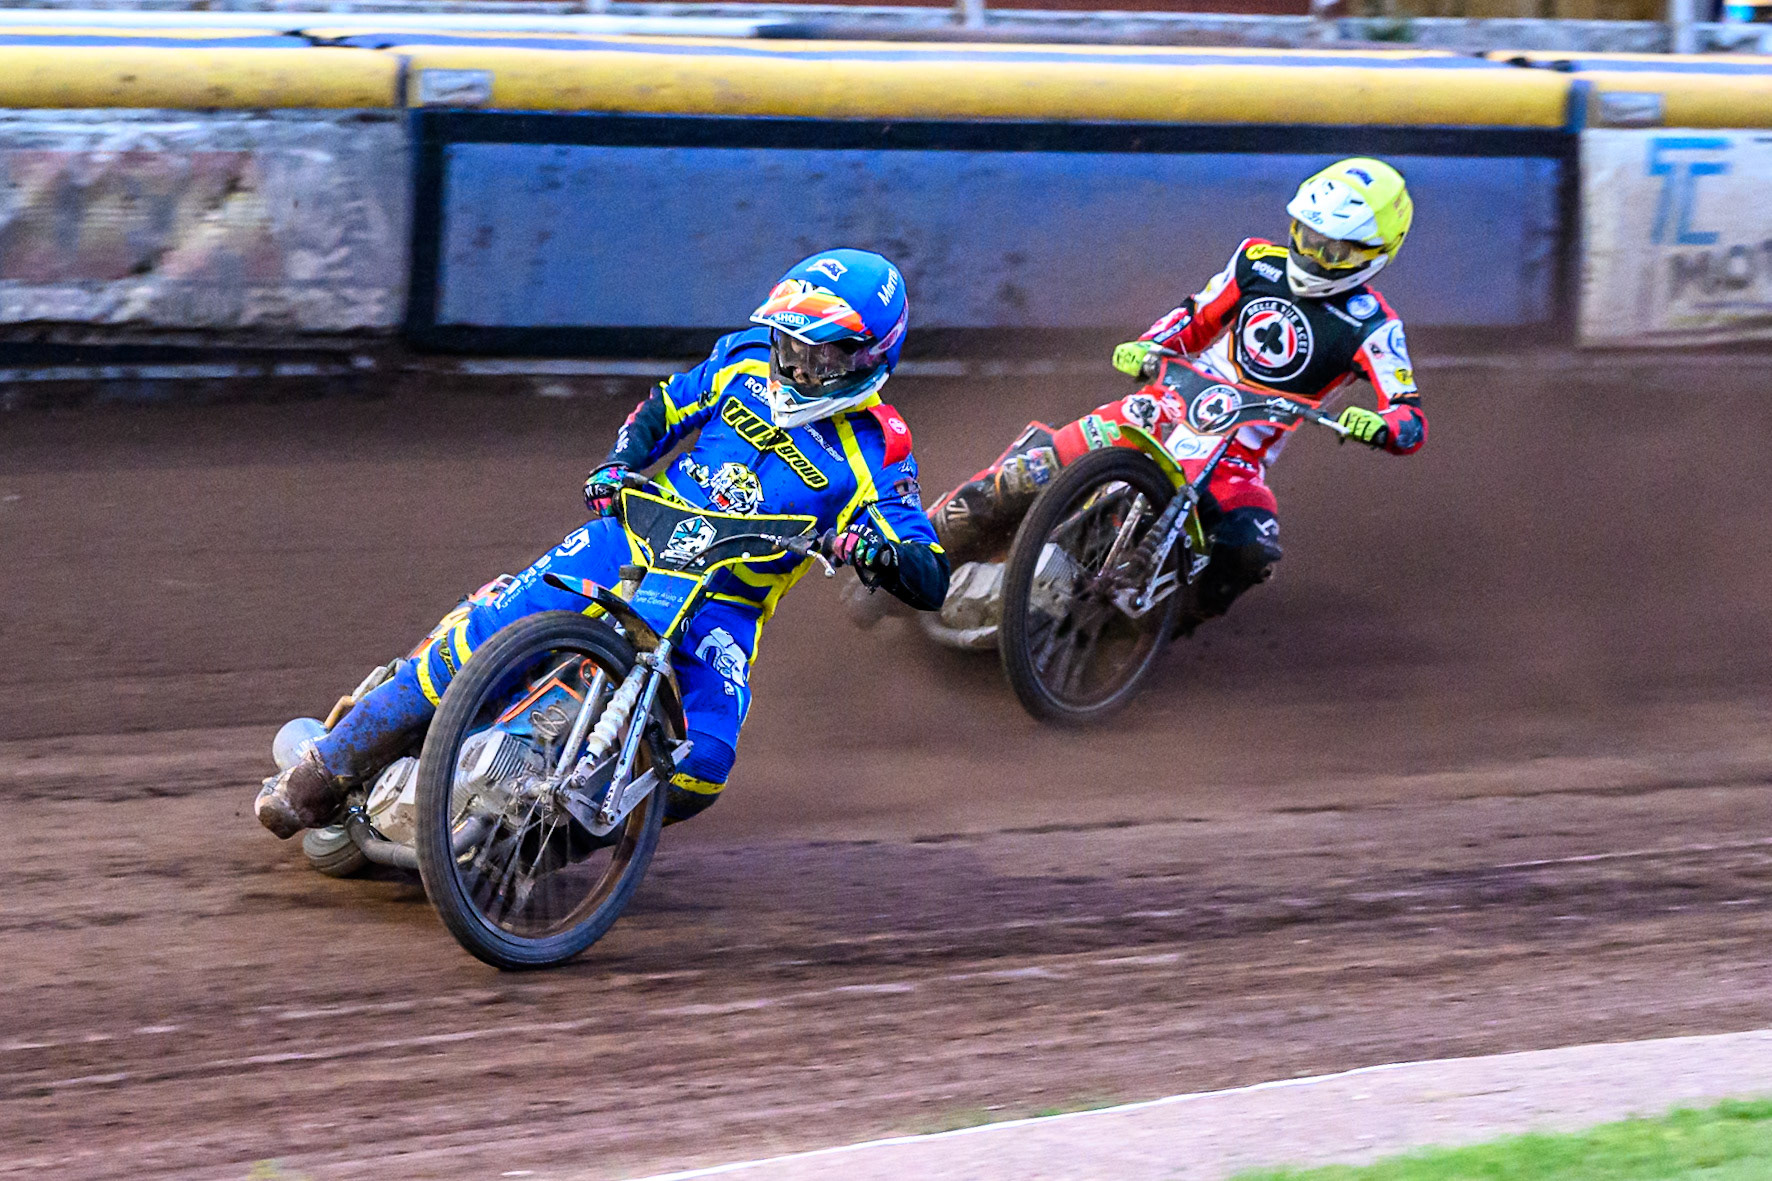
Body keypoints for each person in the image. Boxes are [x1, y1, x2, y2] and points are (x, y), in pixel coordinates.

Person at [257, 249, 949, 839]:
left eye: (817, 351)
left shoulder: (881, 450)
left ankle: (542, 850)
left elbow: (930, 571)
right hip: (632, 538)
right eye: (788, 342)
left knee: (702, 768)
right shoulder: (740, 359)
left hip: (723, 606)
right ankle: (319, 772)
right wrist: (621, 462)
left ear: (867, 359)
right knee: (476, 643)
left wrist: (880, 552)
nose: (793, 363)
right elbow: (664, 408)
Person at [928, 157, 1426, 631]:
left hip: (1238, 457)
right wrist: (1150, 345)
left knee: (1250, 548)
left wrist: (1382, 426)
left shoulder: (1374, 328)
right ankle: (924, 547)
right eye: (1308, 236)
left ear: (1376, 256)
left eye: (1334, 250)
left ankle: (1146, 632)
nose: (1315, 254)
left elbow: (1408, 415)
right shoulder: (1255, 263)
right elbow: (1195, 317)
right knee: (1036, 466)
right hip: (1164, 406)